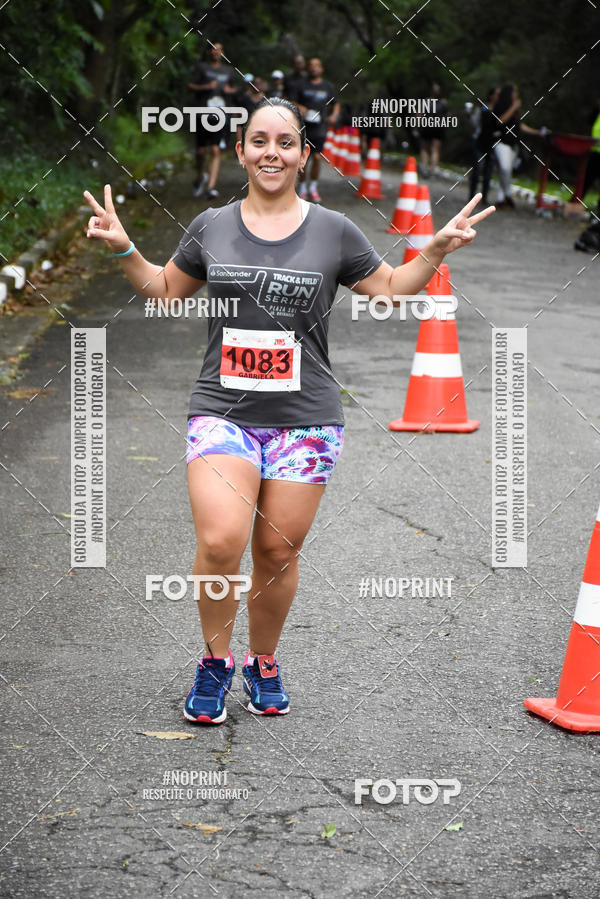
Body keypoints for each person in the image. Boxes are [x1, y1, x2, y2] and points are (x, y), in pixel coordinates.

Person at [83, 98, 495, 725]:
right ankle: (216, 662)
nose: (270, 152)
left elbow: (387, 290)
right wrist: (123, 249)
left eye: (284, 142)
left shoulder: (333, 230)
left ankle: (263, 661)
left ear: (304, 155)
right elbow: (165, 290)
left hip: (306, 417)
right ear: (242, 152)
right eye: (258, 141)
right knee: (221, 540)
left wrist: (434, 249)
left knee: (277, 553)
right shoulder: (211, 225)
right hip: (223, 408)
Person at [188, 41, 237, 199]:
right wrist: (206, 87)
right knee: (201, 151)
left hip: (221, 114)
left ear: (223, 53)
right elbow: (190, 85)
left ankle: (210, 188)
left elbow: (235, 89)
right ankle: (201, 175)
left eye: (220, 49)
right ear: (209, 51)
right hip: (202, 112)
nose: (217, 52)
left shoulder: (228, 70)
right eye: (214, 49)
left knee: (215, 150)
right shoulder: (202, 68)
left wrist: (229, 90)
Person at [294, 58, 340, 202]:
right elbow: (291, 100)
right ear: (308, 69)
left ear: (321, 69)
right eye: (311, 66)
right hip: (303, 126)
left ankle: (313, 187)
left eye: (317, 66)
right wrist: (299, 107)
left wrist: (334, 115)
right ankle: (302, 188)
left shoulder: (327, 86)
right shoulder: (301, 85)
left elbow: (336, 104)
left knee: (317, 157)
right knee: (303, 158)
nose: (314, 68)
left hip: (320, 126)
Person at [492, 83, 543, 209]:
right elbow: (500, 121)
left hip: (513, 144)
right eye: (514, 92)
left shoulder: (515, 111)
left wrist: (536, 132)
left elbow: (519, 125)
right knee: (504, 168)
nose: (516, 95)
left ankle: (502, 199)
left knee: (506, 172)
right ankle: (507, 195)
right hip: (501, 142)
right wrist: (513, 107)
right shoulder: (500, 106)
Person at [468, 87, 499, 206]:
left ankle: (484, 197)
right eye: (496, 94)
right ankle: (471, 197)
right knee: (477, 168)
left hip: (491, 143)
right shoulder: (482, 107)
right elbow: (475, 123)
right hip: (479, 141)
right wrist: (469, 115)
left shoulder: (500, 110)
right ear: (491, 95)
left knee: (488, 172)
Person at [418, 83, 448, 176]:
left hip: (427, 127)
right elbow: (447, 116)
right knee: (435, 149)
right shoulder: (444, 103)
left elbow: (419, 115)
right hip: (438, 128)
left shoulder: (426, 102)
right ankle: (433, 169)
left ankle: (424, 167)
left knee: (424, 148)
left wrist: (418, 125)